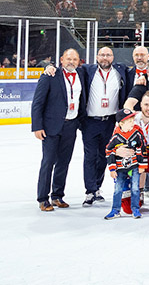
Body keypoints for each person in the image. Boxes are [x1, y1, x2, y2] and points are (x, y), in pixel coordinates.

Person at [78, 47, 130, 207]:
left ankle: (97, 188)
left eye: (108, 55)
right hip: (90, 121)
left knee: (103, 156)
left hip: (110, 122)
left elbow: (138, 72)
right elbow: (67, 69)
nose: (105, 58)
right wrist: (49, 67)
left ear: (113, 57)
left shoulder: (121, 70)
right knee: (90, 156)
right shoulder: (87, 70)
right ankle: (89, 191)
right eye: (102, 55)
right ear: (97, 57)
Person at [32, 48, 83, 212]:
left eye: (74, 59)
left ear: (79, 61)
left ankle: (57, 195)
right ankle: (43, 198)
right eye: (68, 59)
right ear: (61, 60)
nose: (71, 62)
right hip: (51, 127)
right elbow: (38, 102)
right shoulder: (50, 75)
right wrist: (37, 126)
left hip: (71, 125)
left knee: (64, 162)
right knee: (48, 162)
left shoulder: (81, 75)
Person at [103, 109, 148, 220]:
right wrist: (112, 169)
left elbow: (143, 148)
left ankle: (135, 209)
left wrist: (142, 165)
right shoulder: (116, 137)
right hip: (120, 168)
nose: (133, 123)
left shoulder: (137, 134)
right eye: (129, 121)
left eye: (133, 120)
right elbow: (108, 151)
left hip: (134, 166)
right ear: (121, 124)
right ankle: (115, 210)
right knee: (118, 189)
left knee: (135, 188)